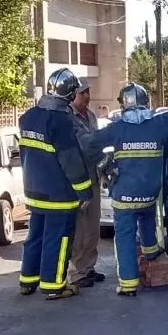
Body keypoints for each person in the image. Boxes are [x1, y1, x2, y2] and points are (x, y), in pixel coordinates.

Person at [82, 83, 168, 297]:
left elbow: (90, 144)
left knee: (125, 235)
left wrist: (105, 162)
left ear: (123, 104)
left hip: (125, 193)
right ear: (146, 101)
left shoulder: (118, 127)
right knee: (146, 216)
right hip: (150, 191)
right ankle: (151, 253)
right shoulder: (159, 124)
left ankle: (129, 284)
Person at [18, 68, 93, 300]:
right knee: (59, 239)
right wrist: (85, 191)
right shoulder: (62, 121)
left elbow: (25, 154)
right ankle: (53, 285)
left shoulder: (29, 116)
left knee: (36, 235)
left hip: (34, 190)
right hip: (59, 194)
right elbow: (70, 160)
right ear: (71, 93)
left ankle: (27, 280)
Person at [67, 79, 104, 288]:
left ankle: (89, 268)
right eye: (83, 93)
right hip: (78, 178)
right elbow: (86, 145)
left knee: (93, 227)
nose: (87, 96)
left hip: (93, 176)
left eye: (88, 92)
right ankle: (77, 273)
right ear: (73, 95)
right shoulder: (68, 118)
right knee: (80, 228)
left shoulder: (90, 116)